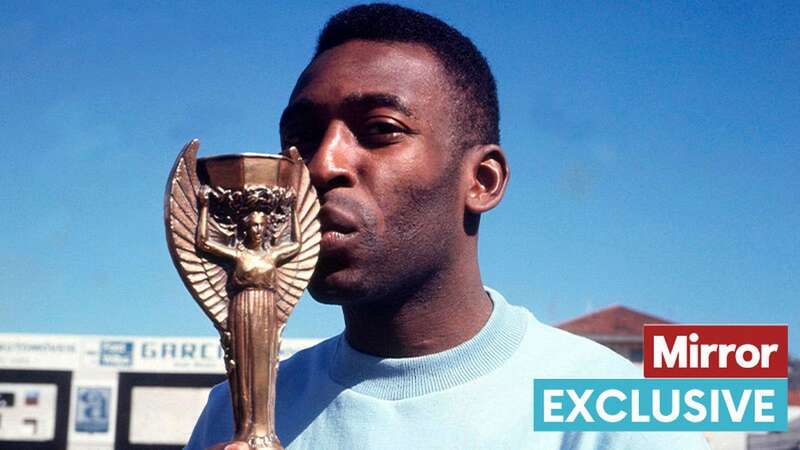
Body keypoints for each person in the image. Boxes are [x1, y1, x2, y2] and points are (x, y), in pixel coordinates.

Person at [186, 4, 709, 449]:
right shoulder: (238, 414)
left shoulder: (614, 413)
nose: (322, 165)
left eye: (380, 131)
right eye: (300, 137)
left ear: (481, 181)